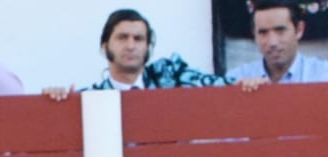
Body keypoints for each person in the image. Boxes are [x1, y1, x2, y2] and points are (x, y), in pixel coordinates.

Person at [43, 8, 257, 98]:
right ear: (104, 46)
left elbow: (214, 85)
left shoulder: (170, 75)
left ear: (148, 47)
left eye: (138, 39)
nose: (130, 45)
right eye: (122, 37)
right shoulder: (91, 97)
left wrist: (240, 85)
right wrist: (56, 97)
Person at [228, 0, 328, 82]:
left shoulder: (321, 74)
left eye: (280, 30)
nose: (272, 42)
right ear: (254, 34)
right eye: (263, 33)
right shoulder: (238, 77)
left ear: (299, 30)